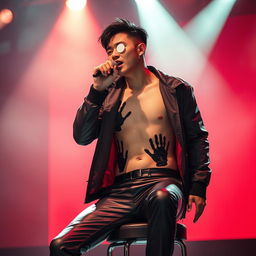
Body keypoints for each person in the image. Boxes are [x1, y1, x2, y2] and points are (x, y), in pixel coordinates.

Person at [49, 18, 211, 256]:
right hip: (120, 193)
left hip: (163, 183)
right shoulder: (109, 96)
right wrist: (96, 91)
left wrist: (198, 185)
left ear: (140, 48)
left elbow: (198, 138)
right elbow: (81, 137)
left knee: (162, 198)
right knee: (61, 246)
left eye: (120, 47)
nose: (114, 54)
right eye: (109, 50)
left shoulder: (176, 89)